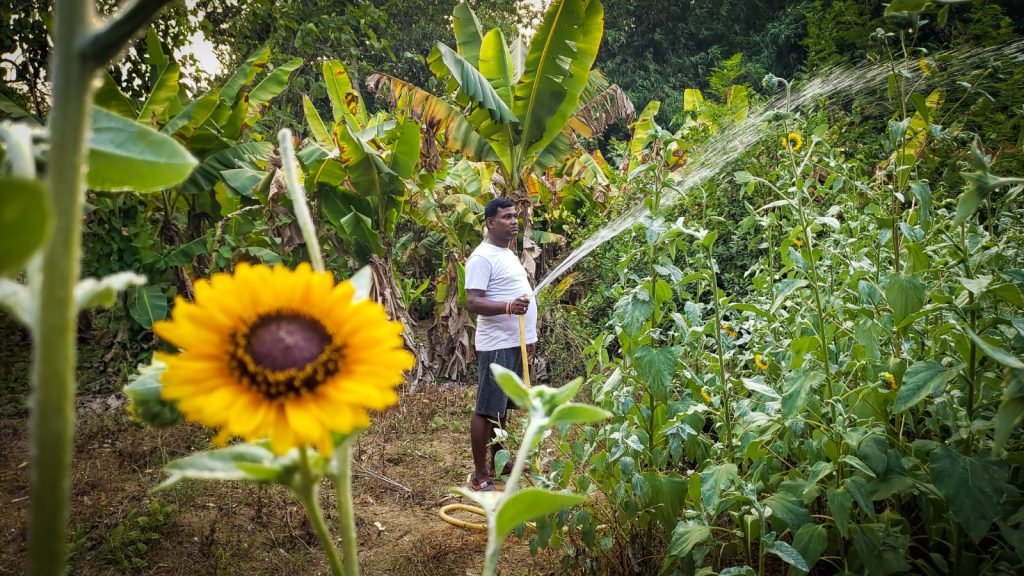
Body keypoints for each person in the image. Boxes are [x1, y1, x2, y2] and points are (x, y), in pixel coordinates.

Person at [464, 198, 537, 492]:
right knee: (486, 409)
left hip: (514, 342)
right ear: (490, 223)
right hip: (496, 345)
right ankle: (481, 474)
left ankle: (502, 459)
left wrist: (529, 339)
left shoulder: (506, 254)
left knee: (502, 407)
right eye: (506, 217)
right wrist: (508, 307)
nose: (514, 221)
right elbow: (473, 302)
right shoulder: (482, 257)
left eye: (515, 216)